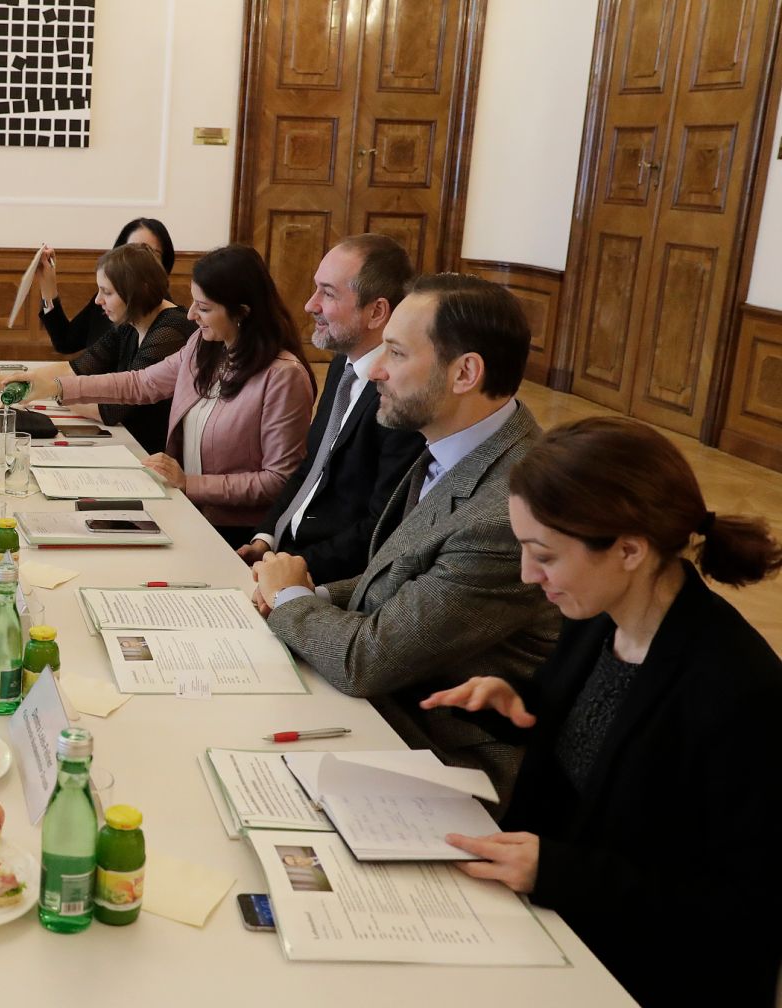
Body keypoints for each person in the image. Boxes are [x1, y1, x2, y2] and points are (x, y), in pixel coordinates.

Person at [422, 416, 782, 1006]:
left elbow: (743, 912)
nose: (526, 575)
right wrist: (519, 706)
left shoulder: (739, 690)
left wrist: (559, 873)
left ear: (630, 550)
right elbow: (603, 746)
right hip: (552, 931)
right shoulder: (599, 619)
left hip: (636, 972)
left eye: (544, 555)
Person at [254, 273, 560, 799]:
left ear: (465, 372)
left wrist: (290, 597)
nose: (374, 370)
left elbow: (366, 662)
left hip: (443, 756)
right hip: (387, 710)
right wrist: (313, 592)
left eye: (395, 353)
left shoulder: (508, 511)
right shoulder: (453, 441)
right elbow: (397, 580)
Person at [11, 244, 315, 544]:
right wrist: (57, 386)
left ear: (242, 313)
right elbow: (140, 384)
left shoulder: (283, 376)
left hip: (237, 532)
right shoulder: (203, 344)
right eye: (194, 303)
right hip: (188, 509)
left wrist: (189, 483)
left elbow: (279, 481)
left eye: (205, 308)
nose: (192, 314)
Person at [237, 235, 426, 583]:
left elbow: (379, 526)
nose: (310, 305)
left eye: (328, 293)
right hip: (281, 557)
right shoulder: (342, 366)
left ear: (377, 312)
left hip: (327, 580)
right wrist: (264, 539)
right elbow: (311, 467)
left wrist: (294, 568)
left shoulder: (401, 394)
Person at [0, 242, 197, 454]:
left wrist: (52, 390)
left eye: (107, 292)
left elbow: (111, 411)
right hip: (131, 444)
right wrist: (28, 379)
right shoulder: (132, 321)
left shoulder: (171, 331)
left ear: (138, 292)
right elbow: (77, 367)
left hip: (151, 452)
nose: (98, 301)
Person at [36, 217, 176, 354]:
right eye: (131, 251)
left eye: (150, 253)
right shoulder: (106, 300)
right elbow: (65, 342)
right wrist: (47, 286)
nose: (140, 261)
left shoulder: (164, 319)